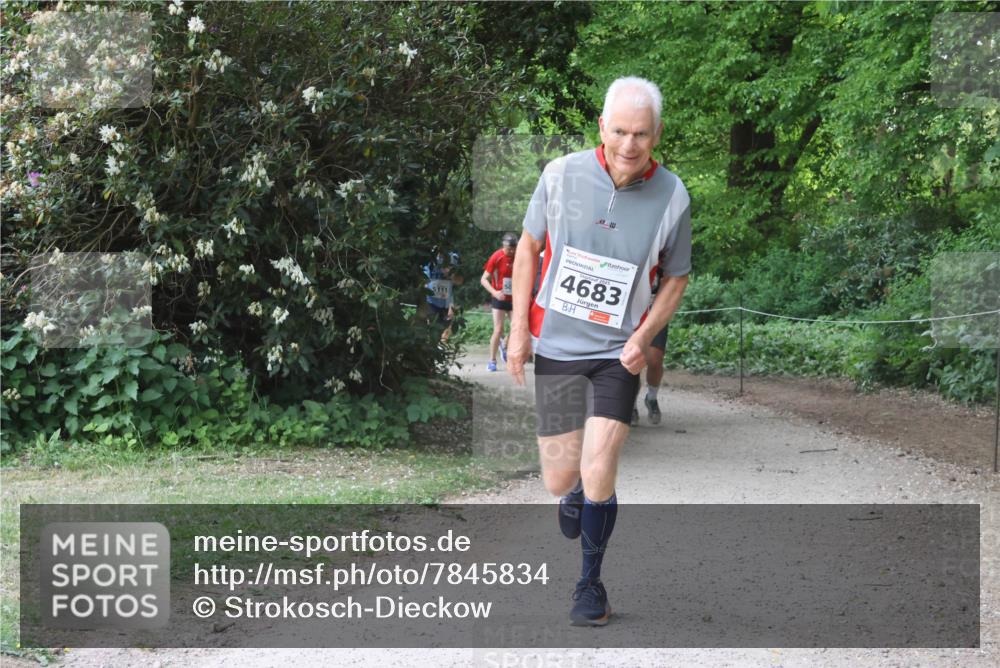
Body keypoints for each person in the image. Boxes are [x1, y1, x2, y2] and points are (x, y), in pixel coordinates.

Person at [506, 76, 691, 626]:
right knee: (561, 481)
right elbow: (529, 247)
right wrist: (520, 330)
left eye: (641, 133)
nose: (629, 145)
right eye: (619, 132)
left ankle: (590, 585)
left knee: (602, 464)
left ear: (656, 134)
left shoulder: (673, 195)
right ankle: (577, 491)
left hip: (619, 352)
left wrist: (642, 337)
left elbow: (676, 278)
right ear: (601, 129)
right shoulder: (560, 175)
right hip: (559, 346)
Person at [480, 233, 517, 371]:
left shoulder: (519, 256)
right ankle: (492, 360)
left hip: (514, 298)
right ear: (503, 246)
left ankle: (505, 344)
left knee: (516, 328)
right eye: (509, 249)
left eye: (514, 248)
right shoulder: (496, 257)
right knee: (498, 329)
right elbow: (483, 279)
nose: (512, 251)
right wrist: (495, 292)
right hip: (499, 298)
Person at [423, 249, 462, 343]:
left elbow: (460, 281)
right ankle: (431, 351)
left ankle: (439, 349)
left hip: (447, 303)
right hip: (430, 301)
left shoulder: (454, 257)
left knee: (445, 331)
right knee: (431, 330)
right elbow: (422, 281)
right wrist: (426, 284)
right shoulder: (428, 257)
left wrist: (451, 275)